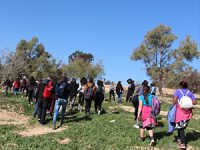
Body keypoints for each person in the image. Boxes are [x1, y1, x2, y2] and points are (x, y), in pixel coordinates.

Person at [173, 80, 197, 149]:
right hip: (188, 112)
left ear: (180, 85)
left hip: (180, 111)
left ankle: (183, 144)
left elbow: (174, 101)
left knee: (181, 128)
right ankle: (179, 139)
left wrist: (175, 103)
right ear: (187, 86)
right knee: (180, 125)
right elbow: (195, 102)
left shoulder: (178, 91)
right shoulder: (190, 92)